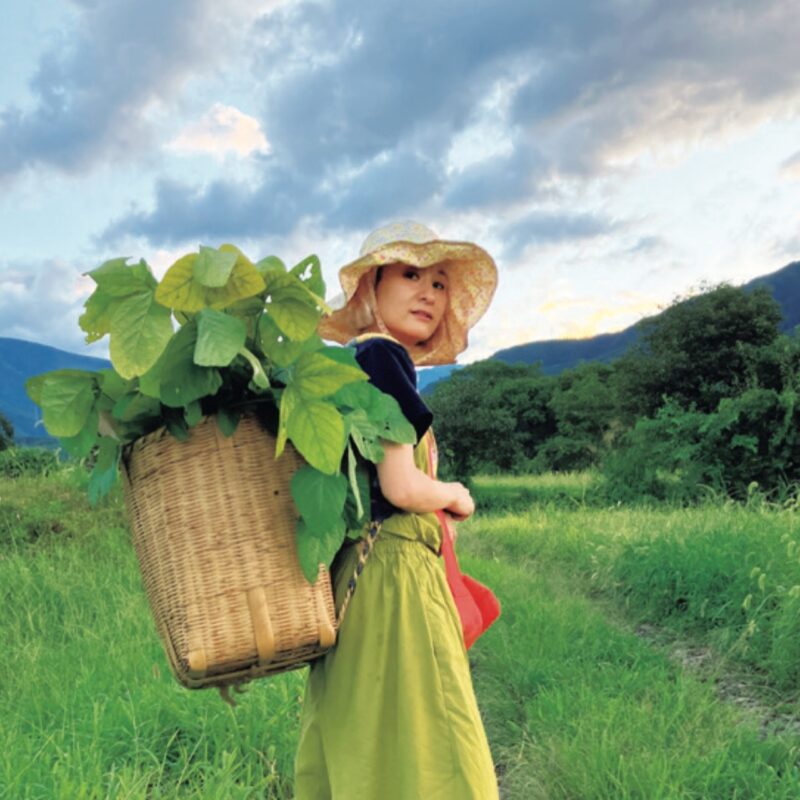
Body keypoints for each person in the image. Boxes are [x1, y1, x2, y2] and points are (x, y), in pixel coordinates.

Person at [294, 220, 499, 799]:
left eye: (439, 284)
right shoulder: (383, 358)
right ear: (370, 290)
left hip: (354, 581)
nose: (429, 294)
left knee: (366, 741)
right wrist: (456, 494)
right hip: (394, 580)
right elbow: (403, 486)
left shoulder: (354, 365)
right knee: (435, 747)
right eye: (411, 275)